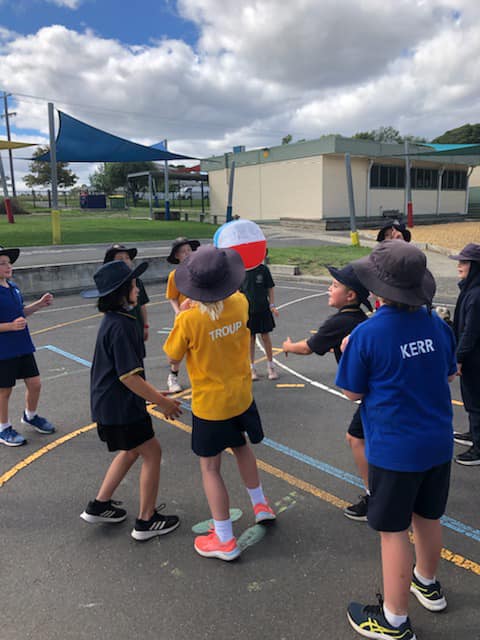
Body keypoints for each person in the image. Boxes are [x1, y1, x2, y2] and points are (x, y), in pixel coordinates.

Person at [336, 241, 456, 640]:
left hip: (395, 448)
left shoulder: (367, 333)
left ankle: (394, 619)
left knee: (393, 531)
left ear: (378, 291)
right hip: (437, 442)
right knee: (429, 517)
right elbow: (449, 374)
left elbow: (353, 393)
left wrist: (346, 349)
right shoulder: (437, 324)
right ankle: (427, 581)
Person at [163, 245, 276, 562]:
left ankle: (224, 538)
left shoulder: (189, 320)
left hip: (211, 403)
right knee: (242, 447)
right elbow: (222, 311)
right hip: (240, 395)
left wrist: (185, 313)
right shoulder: (239, 302)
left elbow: (173, 355)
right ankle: (260, 503)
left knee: (210, 467)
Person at [80, 260, 182, 541]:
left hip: (110, 405)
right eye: (134, 284)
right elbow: (128, 377)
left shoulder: (113, 321)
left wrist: (152, 394)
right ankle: (146, 520)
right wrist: (163, 403)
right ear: (122, 292)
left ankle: (100, 505)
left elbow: (126, 375)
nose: (138, 288)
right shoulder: (124, 326)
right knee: (152, 452)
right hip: (121, 408)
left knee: (132, 450)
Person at [282, 264, 372, 520]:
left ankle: (374, 495)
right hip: (372, 392)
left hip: (370, 394)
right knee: (367, 438)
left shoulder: (342, 321)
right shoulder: (358, 319)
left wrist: (288, 345)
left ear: (351, 295)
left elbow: (308, 347)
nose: (328, 289)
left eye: (334, 285)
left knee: (356, 438)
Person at [0, 245, 56, 447]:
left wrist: (39, 304)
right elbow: (13, 322)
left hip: (22, 345)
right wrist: (10, 326)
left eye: (8, 263)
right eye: (2, 264)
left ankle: (30, 415)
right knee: (4, 391)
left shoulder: (13, 287)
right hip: (3, 350)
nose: (7, 266)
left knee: (35, 383)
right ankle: (3, 427)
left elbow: (21, 313)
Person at [449, 243, 480, 465]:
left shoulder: (476, 294)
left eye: (464, 262)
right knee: (471, 398)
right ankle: (473, 433)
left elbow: (471, 331)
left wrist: (458, 358)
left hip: (475, 359)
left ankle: (478, 448)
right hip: (472, 357)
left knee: (475, 400)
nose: (459, 265)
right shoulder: (469, 289)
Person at [165, 237, 200, 392]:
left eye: (189, 250)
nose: (187, 254)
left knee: (200, 347)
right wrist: (178, 311)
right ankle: (173, 376)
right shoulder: (175, 275)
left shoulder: (199, 270)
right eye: (182, 252)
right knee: (178, 350)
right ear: (177, 256)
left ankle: (200, 376)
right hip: (184, 316)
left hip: (200, 315)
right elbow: (172, 297)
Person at [240, 255, 279, 380]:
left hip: (263, 308)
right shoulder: (241, 271)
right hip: (247, 311)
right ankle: (252, 368)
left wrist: (272, 304)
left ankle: (270, 366)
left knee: (265, 336)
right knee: (250, 339)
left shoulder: (263, 269)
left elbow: (270, 287)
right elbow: (237, 292)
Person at [103, 243, 150, 344]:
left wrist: (145, 325)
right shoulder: (111, 285)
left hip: (136, 326)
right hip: (122, 329)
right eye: (120, 259)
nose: (125, 261)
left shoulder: (136, 281)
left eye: (127, 258)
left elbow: (142, 304)